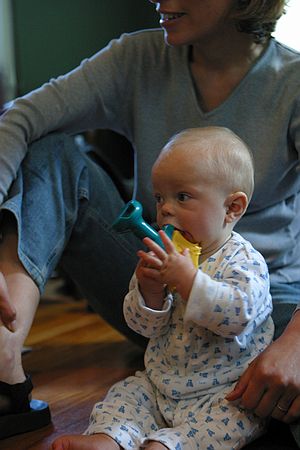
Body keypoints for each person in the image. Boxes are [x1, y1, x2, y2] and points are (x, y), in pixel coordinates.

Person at [0, 0, 299, 445]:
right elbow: (19, 118)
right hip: (157, 287)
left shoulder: (291, 83)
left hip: (264, 310)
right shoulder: (137, 59)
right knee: (50, 152)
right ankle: (4, 362)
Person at [51, 126, 274, 450]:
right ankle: (109, 438)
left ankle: (169, 444)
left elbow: (237, 317)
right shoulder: (164, 258)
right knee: (127, 394)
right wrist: (149, 292)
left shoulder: (244, 262)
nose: (165, 209)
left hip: (223, 393)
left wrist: (190, 282)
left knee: (230, 423)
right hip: (161, 384)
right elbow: (144, 326)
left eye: (182, 196)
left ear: (232, 208)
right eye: (159, 198)